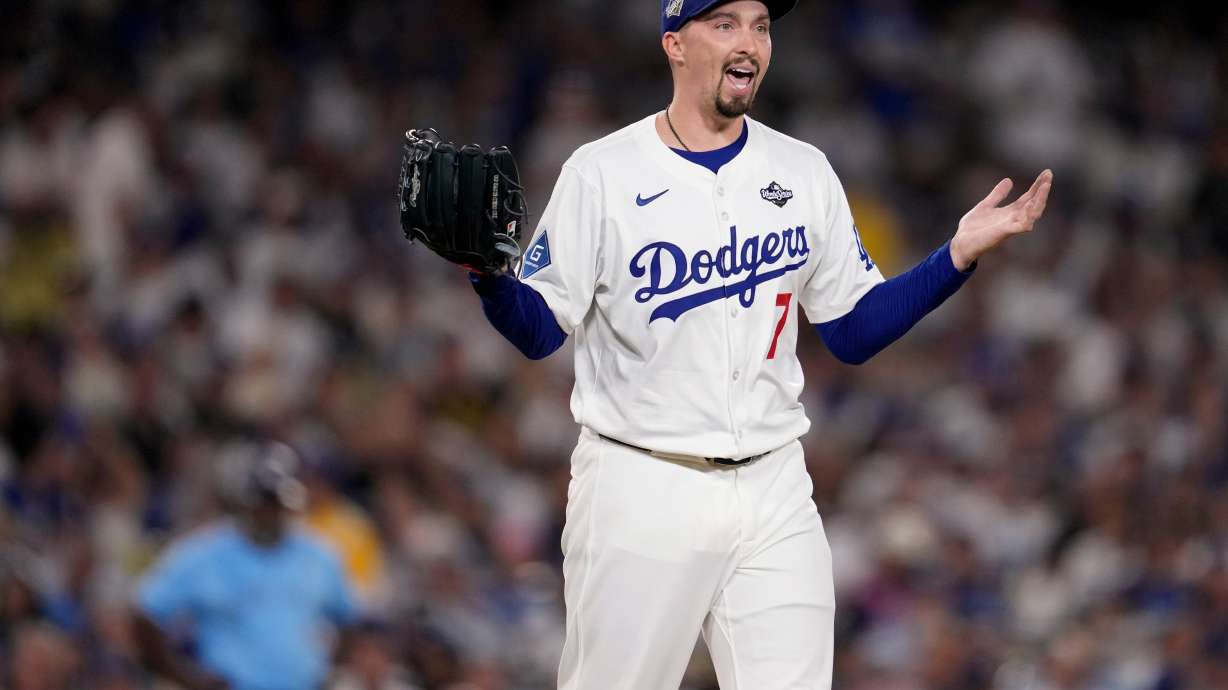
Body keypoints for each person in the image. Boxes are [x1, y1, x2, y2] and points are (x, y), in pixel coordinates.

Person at [462, 1, 1052, 688]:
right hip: (641, 481)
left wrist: (952, 257)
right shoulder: (602, 172)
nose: (749, 42)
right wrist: (488, 277)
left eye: (761, 25)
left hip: (775, 484)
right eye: (725, 23)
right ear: (675, 44)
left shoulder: (802, 170)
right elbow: (540, 331)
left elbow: (853, 330)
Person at [132, 441, 358, 690]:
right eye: (262, 502)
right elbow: (145, 615)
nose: (269, 512)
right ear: (244, 503)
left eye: (276, 503)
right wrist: (188, 678)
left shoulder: (318, 555)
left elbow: (349, 619)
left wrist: (330, 670)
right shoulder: (205, 553)